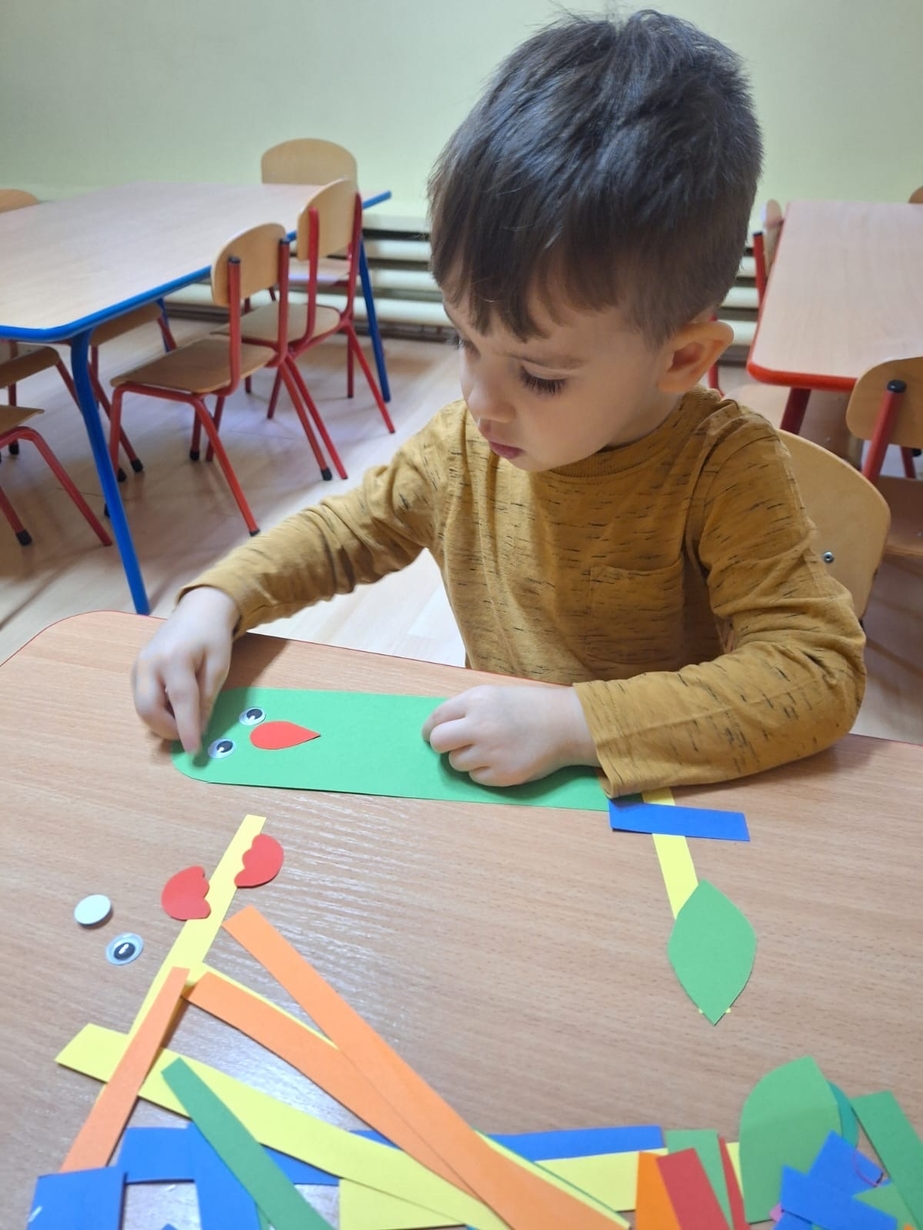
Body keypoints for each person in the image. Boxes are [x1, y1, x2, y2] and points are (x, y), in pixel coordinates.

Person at [132, 10, 865, 797]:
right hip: (503, 790)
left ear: (681, 358)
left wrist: (575, 724)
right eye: (465, 340)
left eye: (539, 375)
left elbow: (815, 673)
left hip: (655, 800)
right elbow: (345, 532)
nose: (478, 401)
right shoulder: (461, 446)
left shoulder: (723, 468)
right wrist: (218, 599)